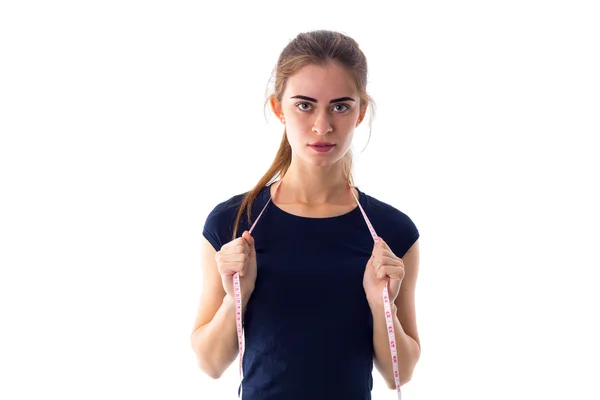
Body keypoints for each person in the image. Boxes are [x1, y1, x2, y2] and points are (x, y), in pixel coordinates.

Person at [190, 29, 421, 400]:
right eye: (304, 105)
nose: (322, 126)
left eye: (340, 106)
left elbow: (400, 374)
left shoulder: (391, 231)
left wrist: (383, 307)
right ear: (278, 108)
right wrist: (238, 297)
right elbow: (210, 363)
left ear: (361, 112)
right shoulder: (231, 223)